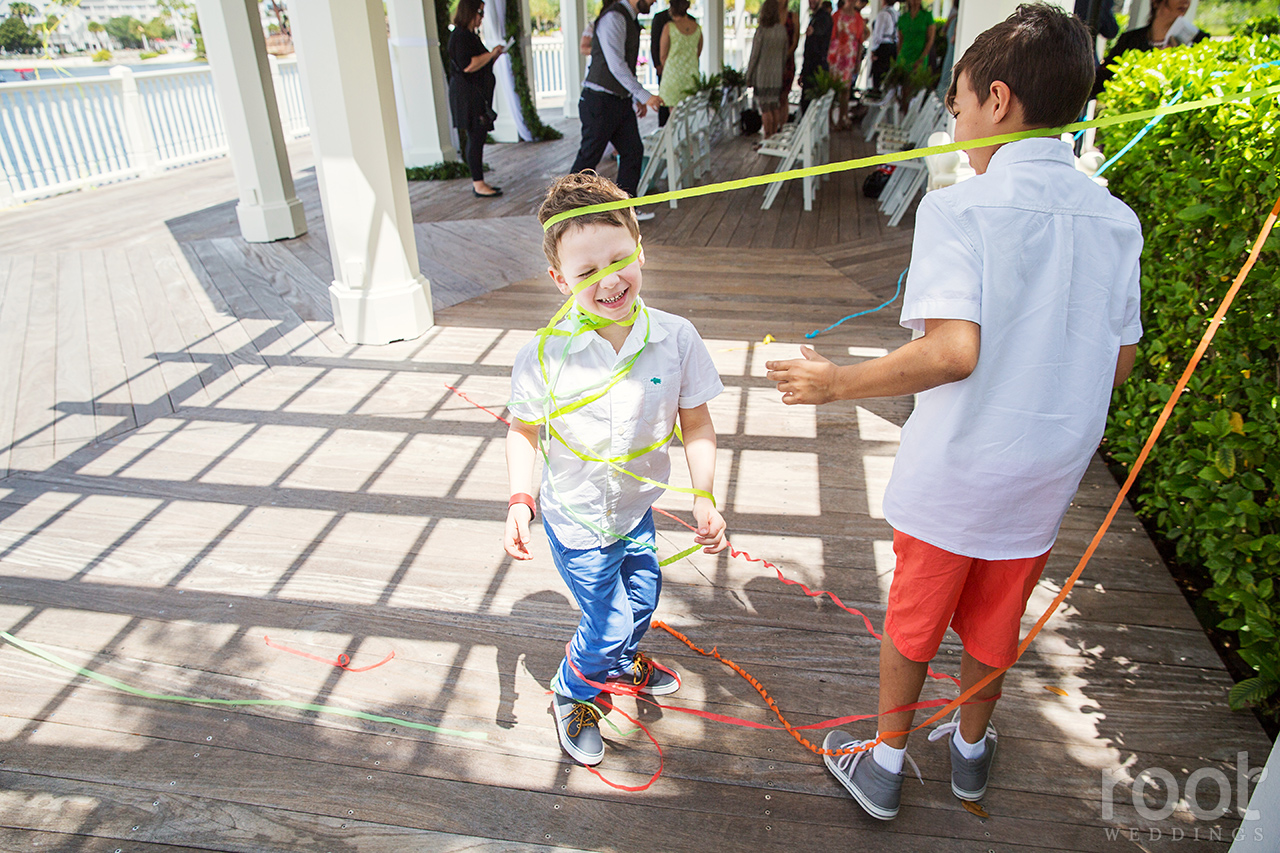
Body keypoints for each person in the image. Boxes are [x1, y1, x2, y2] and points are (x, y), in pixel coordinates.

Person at [765, 4, 1142, 820]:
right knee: (996, 616)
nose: (958, 123)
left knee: (917, 617)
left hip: (962, 466)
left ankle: (887, 763)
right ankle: (971, 752)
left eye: (962, 106)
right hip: (1047, 470)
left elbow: (952, 352)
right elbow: (1119, 362)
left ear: (998, 101)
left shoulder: (959, 207)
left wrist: (835, 383)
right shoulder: (1117, 219)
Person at [505, 172, 729, 766]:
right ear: (559, 281)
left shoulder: (676, 339)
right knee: (606, 622)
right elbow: (524, 429)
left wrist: (704, 494)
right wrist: (519, 501)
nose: (609, 280)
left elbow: (697, 424)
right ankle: (572, 691)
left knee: (644, 601)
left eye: (619, 259)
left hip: (635, 512)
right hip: (576, 520)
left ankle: (618, 661)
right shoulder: (543, 356)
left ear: (640, 249)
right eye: (586, 272)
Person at [569, 0, 663, 215]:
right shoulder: (614, 17)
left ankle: (626, 212)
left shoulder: (628, 17)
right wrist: (645, 95)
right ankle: (565, 212)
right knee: (588, 160)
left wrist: (633, 98)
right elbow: (616, 65)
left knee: (632, 151)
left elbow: (624, 65)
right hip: (599, 101)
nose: (654, 1)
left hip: (619, 101)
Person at [448, 0, 504, 198]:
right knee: (476, 137)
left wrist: (492, 56)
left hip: (476, 95)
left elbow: (480, 62)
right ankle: (478, 184)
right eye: (480, 12)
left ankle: (479, 181)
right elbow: (468, 65)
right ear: (469, 12)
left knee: (478, 136)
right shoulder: (461, 36)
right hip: (468, 97)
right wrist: (490, 55)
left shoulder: (470, 36)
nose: (482, 16)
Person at [1092, 0, 1206, 98]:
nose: (1185, 2)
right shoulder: (1130, 40)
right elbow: (1101, 80)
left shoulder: (1199, 40)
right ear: (1155, 1)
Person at [746, 0, 792, 137]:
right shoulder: (782, 31)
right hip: (776, 76)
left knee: (765, 109)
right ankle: (774, 138)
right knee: (774, 107)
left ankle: (767, 137)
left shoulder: (761, 31)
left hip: (763, 76)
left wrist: (749, 76)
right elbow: (785, 55)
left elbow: (754, 56)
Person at [657, 0, 703, 125]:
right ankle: (688, 142)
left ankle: (676, 143)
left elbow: (662, 55)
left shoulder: (669, 27)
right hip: (691, 76)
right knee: (689, 117)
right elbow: (698, 52)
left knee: (674, 118)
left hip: (673, 78)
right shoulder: (697, 27)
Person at [827, 0, 868, 129]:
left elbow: (860, 40)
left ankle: (842, 118)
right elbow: (830, 38)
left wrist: (858, 61)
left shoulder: (858, 18)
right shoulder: (836, 15)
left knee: (845, 89)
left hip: (849, 57)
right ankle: (829, 120)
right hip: (835, 56)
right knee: (832, 89)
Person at [798, 0, 833, 113]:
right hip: (810, 66)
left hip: (817, 67)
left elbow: (820, 34)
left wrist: (814, 31)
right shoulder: (815, 17)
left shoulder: (824, 17)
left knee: (811, 107)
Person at [895, 0, 935, 73]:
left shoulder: (927, 16)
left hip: (920, 55)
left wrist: (922, 57)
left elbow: (930, 39)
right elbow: (900, 40)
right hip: (904, 56)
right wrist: (899, 56)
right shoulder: (903, 18)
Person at [868, 0, 898, 92]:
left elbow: (877, 34)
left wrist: (874, 50)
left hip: (883, 47)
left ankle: (877, 93)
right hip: (893, 45)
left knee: (878, 74)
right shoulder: (897, 14)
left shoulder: (883, 14)